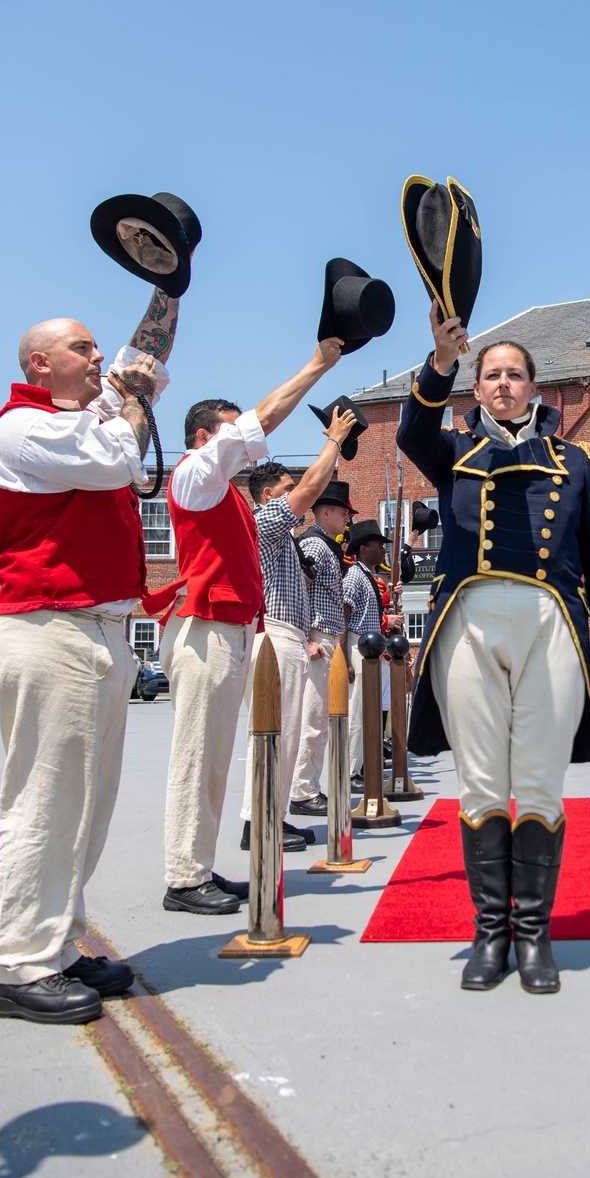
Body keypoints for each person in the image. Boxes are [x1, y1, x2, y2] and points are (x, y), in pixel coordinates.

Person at [397, 305, 590, 995]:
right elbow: (410, 430)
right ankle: (489, 933)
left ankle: (536, 937)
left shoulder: (577, 461)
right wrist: (440, 360)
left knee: (538, 783)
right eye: (491, 375)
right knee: (483, 784)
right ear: (477, 389)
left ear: (534, 388)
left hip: (550, 619)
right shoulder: (456, 453)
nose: (502, 384)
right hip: (468, 620)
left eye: (514, 375)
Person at [0, 288, 177, 1023]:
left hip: (94, 630)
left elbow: (147, 358)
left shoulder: (82, 419)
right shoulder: (23, 427)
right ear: (42, 362)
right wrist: (129, 402)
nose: (100, 359)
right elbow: (114, 459)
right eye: (84, 349)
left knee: (86, 805)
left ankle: (56, 944)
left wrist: (169, 283)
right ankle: (18, 964)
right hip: (48, 629)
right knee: (46, 800)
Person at [147, 340, 345, 915]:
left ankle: (197, 868)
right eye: (231, 432)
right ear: (205, 439)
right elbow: (268, 417)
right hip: (205, 629)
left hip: (228, 631)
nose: (247, 443)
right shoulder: (194, 475)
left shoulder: (226, 496)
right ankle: (183, 877)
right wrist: (317, 365)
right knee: (197, 755)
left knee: (212, 755)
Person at [238, 416, 357, 852]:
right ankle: (259, 819)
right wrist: (333, 442)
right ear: (268, 497)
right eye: (287, 491)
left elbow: (306, 490)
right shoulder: (267, 523)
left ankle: (271, 814)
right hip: (276, 634)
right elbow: (310, 489)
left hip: (286, 634)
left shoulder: (284, 535)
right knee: (274, 732)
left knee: (283, 734)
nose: (297, 499)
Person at [286, 479, 356, 818]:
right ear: (324, 512)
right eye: (343, 512)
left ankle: (308, 785)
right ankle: (302, 790)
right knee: (312, 719)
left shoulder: (327, 545)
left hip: (327, 636)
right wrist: (307, 637)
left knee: (321, 720)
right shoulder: (315, 545)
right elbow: (299, 590)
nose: (347, 518)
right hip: (318, 635)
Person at [343, 519, 404, 785]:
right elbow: (344, 615)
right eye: (378, 545)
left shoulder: (368, 575)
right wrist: (346, 658)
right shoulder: (355, 575)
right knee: (357, 712)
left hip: (371, 648)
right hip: (359, 645)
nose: (383, 550)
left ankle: (365, 765)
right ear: (363, 547)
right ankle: (351, 770)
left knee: (369, 711)